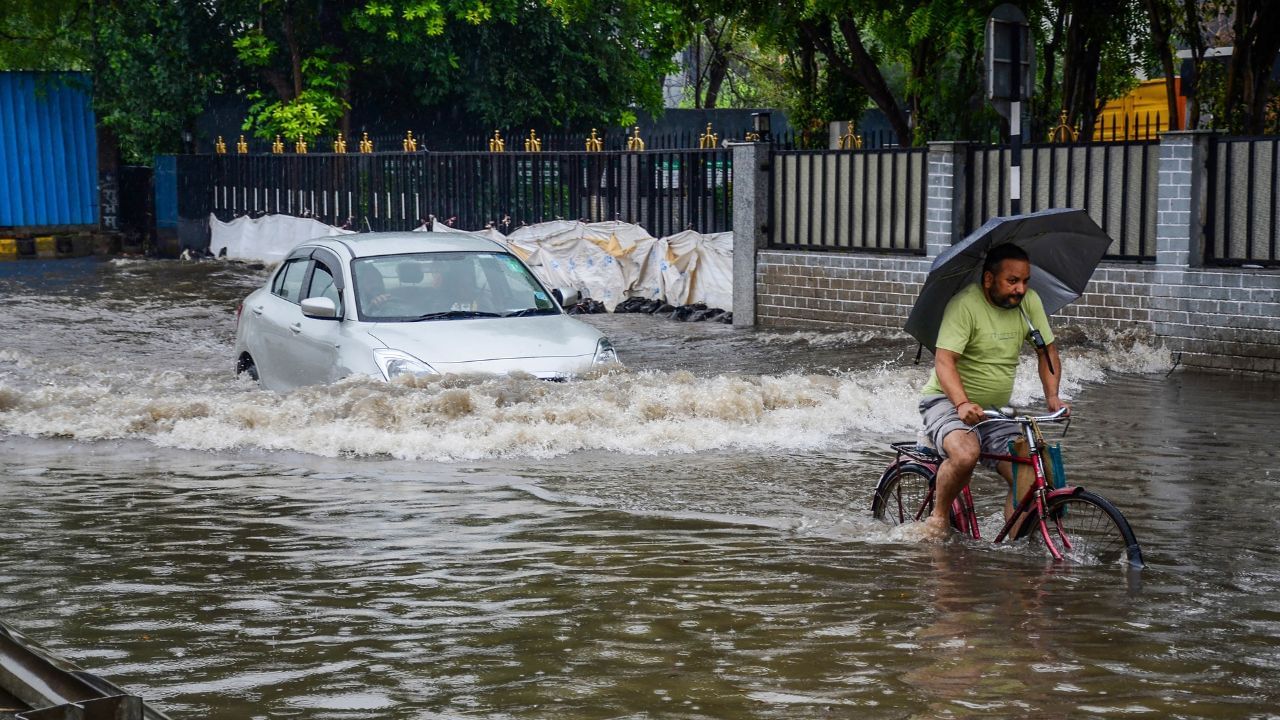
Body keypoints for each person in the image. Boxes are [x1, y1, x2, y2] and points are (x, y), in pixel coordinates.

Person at [918, 243, 1069, 540]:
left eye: (1025, 281)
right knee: (965, 454)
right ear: (989, 279)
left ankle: (1015, 546)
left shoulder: (1028, 304)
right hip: (947, 402)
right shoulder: (964, 305)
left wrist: (1053, 396)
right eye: (1012, 281)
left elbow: (1046, 350)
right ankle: (937, 517)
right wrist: (961, 403)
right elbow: (944, 361)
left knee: (1032, 470)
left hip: (994, 411)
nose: (1020, 289)